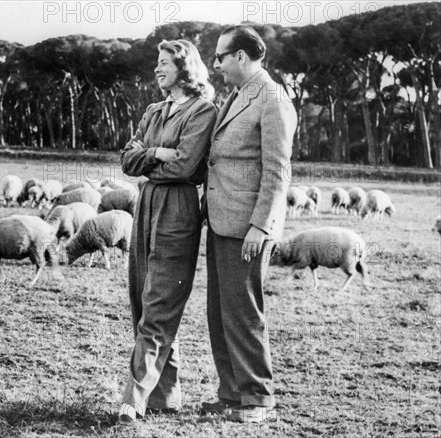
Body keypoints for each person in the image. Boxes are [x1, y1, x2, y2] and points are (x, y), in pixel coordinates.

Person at [200, 26, 297, 423]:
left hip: (247, 227)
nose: (216, 64)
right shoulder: (239, 95)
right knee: (220, 312)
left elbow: (278, 171)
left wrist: (261, 226)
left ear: (241, 56)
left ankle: (258, 397)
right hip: (222, 221)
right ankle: (232, 394)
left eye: (221, 56)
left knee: (243, 312)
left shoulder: (272, 98)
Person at [118, 39, 217, 425]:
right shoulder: (154, 109)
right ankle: (166, 396)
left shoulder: (203, 110)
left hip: (178, 208)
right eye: (156, 62)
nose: (157, 69)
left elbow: (186, 166)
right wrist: (158, 154)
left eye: (164, 63)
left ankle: (134, 399)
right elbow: (127, 158)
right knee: (142, 300)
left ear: (185, 67)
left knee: (160, 304)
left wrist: (151, 157)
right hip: (145, 204)